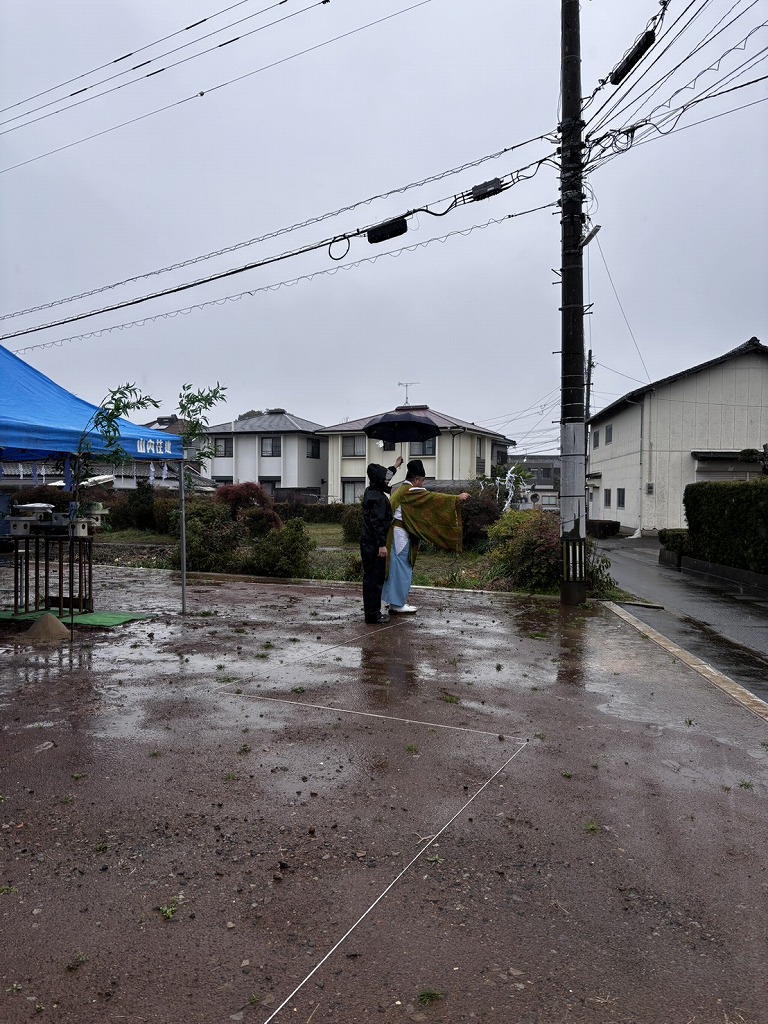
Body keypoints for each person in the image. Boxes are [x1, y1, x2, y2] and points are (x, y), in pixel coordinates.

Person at [382, 459, 469, 614]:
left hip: (395, 534)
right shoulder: (410, 491)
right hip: (400, 534)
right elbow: (433, 498)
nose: (423, 484)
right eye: (422, 481)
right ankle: (397, 604)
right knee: (402, 568)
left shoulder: (400, 489)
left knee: (396, 568)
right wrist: (456, 498)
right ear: (416, 480)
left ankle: (394, 601)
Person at [360, 456, 403, 624]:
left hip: (368, 543)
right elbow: (377, 524)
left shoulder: (371, 491)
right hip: (374, 545)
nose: (388, 481)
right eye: (384, 479)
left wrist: (395, 466)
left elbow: (384, 477)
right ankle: (373, 615)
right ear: (379, 481)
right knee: (374, 579)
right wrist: (381, 545)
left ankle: (372, 612)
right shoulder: (378, 499)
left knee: (371, 578)